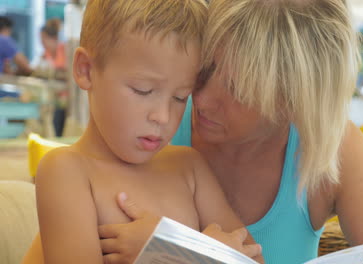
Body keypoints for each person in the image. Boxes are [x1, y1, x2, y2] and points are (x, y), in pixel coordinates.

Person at [25, 0, 363, 263]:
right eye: (204, 70)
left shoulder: (329, 148)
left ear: (291, 104)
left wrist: (175, 253)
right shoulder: (150, 129)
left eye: (242, 89)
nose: (199, 101)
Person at [23, 0, 262, 263]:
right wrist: (186, 255)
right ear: (86, 70)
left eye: (181, 98)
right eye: (143, 90)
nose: (163, 116)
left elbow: (254, 257)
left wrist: (190, 254)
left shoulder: (189, 168)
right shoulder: (67, 171)